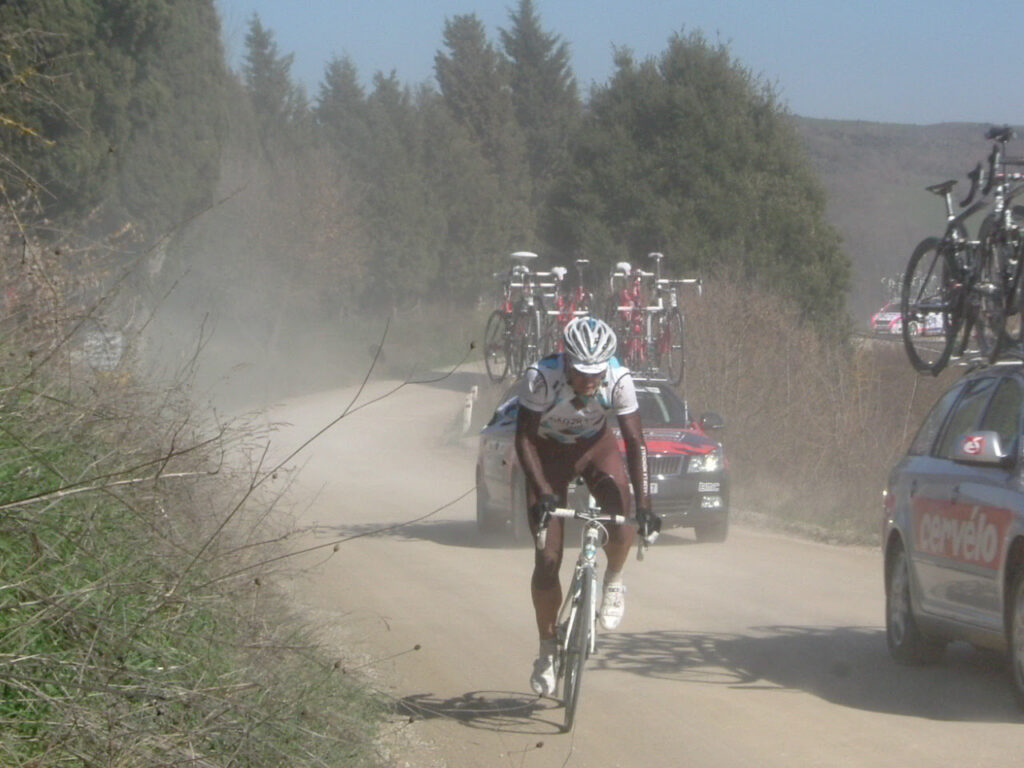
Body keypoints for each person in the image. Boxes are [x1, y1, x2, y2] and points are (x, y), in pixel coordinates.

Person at [514, 315, 659, 696]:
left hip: (596, 448)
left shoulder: (620, 380)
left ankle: (613, 579)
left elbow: (635, 442)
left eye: (596, 372)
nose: (590, 380)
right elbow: (525, 440)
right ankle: (547, 652)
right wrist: (542, 490)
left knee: (622, 511)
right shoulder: (541, 377)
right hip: (547, 455)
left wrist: (645, 503)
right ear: (566, 361)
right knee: (547, 560)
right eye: (581, 372)